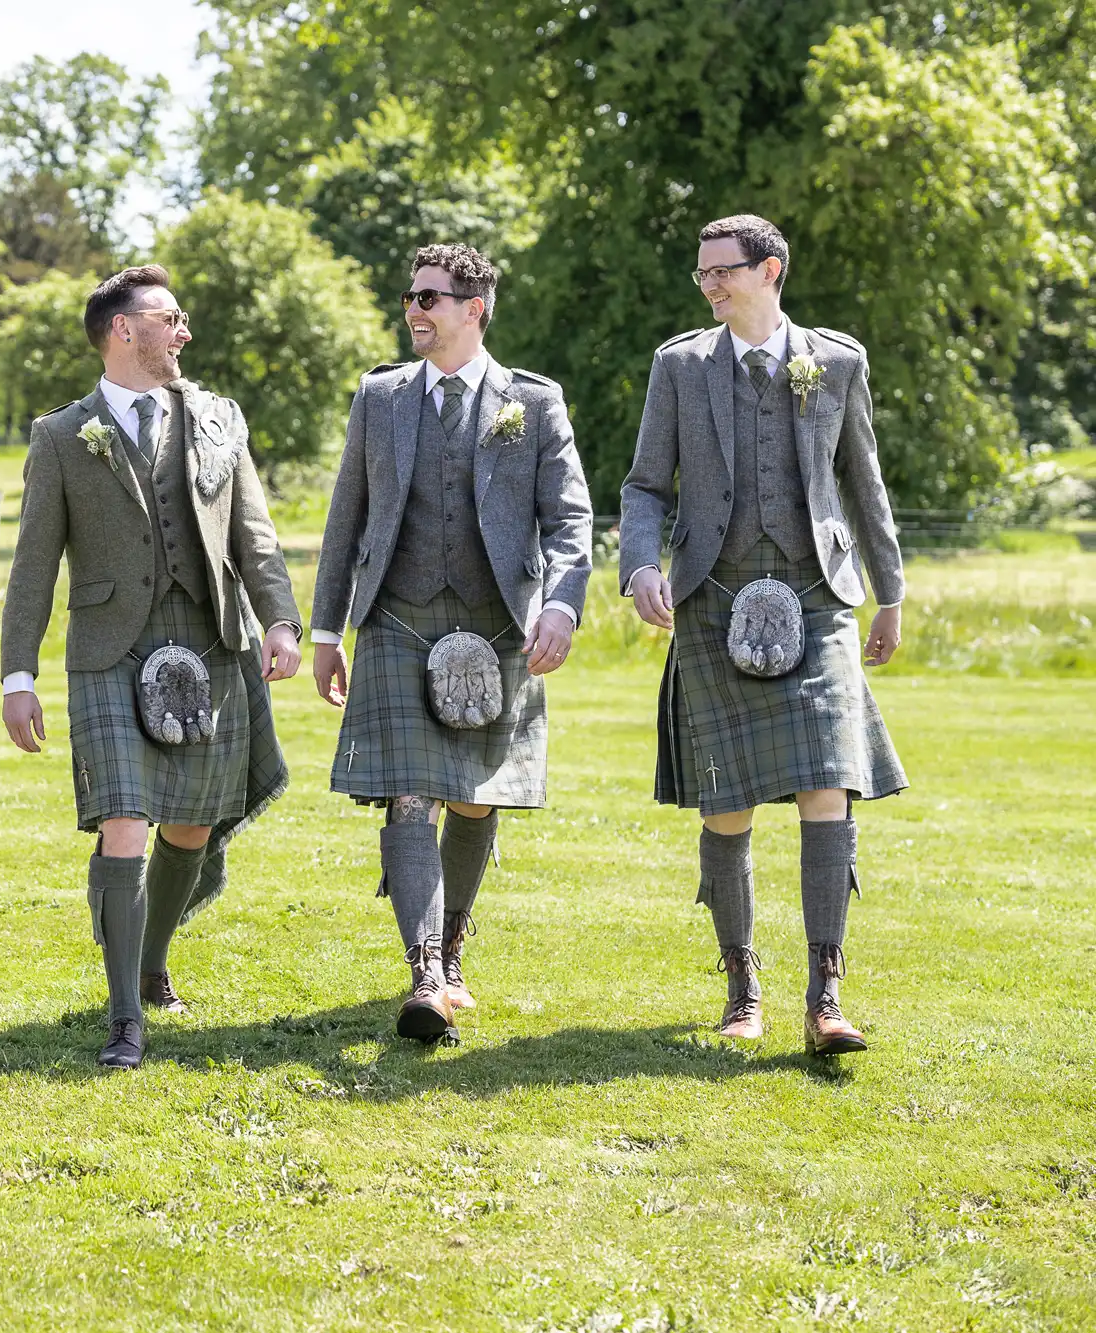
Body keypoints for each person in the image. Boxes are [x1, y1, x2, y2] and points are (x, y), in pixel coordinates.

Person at [0, 265, 303, 1071]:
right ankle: (124, 1016)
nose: (183, 333)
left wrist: (279, 618)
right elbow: (33, 565)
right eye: (170, 318)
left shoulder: (217, 418)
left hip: (208, 636)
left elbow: (255, 532)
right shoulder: (63, 435)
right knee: (125, 819)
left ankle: (149, 956)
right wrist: (16, 675)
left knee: (192, 827)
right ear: (123, 330)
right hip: (108, 646)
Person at [619, 214, 907, 1055]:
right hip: (712, 593)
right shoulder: (679, 367)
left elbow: (865, 483)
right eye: (701, 273)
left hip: (819, 595)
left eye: (723, 271)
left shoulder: (837, 360)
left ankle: (826, 993)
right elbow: (644, 487)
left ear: (769, 269)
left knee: (829, 782)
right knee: (729, 800)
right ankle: (743, 986)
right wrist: (641, 567)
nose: (709, 284)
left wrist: (889, 592)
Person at [311, 243, 592, 1043]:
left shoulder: (532, 403)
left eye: (432, 297)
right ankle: (425, 969)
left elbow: (572, 521)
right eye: (410, 296)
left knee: (475, 795)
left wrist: (562, 607)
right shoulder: (381, 396)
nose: (416, 310)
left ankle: (455, 946)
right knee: (410, 791)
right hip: (397, 617)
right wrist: (328, 629)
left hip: (498, 621)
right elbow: (346, 518)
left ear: (476, 308)